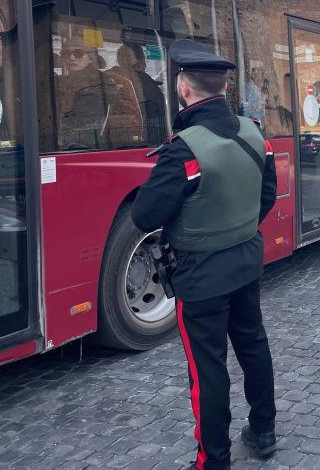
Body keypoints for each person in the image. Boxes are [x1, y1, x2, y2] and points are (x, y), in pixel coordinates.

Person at [131, 39, 278, 470]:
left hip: (199, 274)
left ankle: (213, 460)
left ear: (183, 87)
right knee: (253, 345)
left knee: (207, 368)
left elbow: (145, 215)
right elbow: (265, 196)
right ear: (223, 87)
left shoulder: (184, 148)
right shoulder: (253, 131)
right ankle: (264, 430)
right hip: (246, 261)